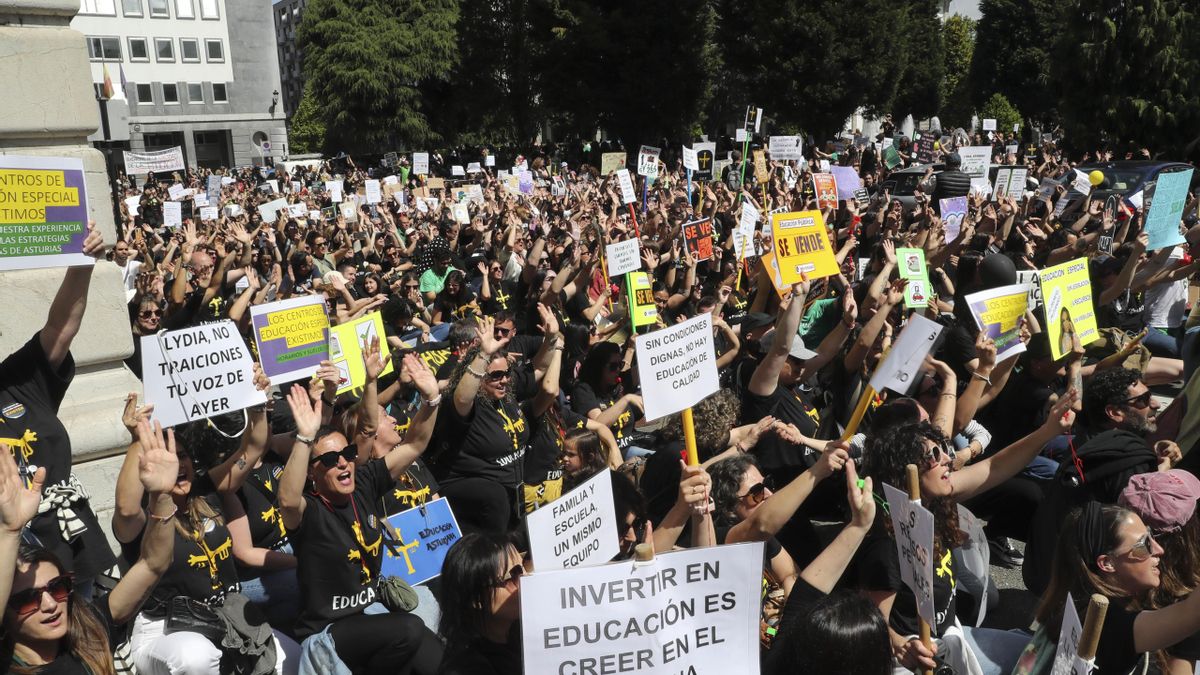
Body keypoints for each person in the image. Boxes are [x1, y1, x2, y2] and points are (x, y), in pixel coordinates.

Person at [858, 390, 1077, 675]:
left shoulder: (933, 496)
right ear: (905, 469)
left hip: (950, 637)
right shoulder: (887, 539)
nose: (948, 459)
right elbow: (871, 622)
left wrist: (1048, 430)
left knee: (1043, 654)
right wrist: (902, 645)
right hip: (915, 661)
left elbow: (995, 466)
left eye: (944, 448)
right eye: (935, 454)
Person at [279, 349, 444, 674]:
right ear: (312, 473)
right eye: (329, 460)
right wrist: (305, 436)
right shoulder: (308, 512)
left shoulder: (365, 481)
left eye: (348, 453)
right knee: (409, 629)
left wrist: (433, 399)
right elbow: (286, 500)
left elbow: (413, 445)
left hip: (374, 614)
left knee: (439, 657)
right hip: (329, 630)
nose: (342, 462)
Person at [0, 418, 176, 674]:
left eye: (58, 588)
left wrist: (161, 496)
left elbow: (153, 563)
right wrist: (10, 532)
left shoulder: (90, 634)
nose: (50, 604)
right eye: (28, 600)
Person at [0, 222, 115, 597]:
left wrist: (82, 263)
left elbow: (62, 326)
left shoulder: (17, 379)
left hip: (73, 549)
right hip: (13, 572)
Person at [1017, 502, 1200, 675]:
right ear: (1107, 563)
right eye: (1144, 544)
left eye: (1151, 535)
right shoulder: (1114, 622)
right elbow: (1190, 614)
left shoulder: (1076, 588)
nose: (1159, 549)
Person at [435, 533, 524, 675]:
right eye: (513, 575)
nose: (525, 580)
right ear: (476, 599)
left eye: (523, 566)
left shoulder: (522, 630)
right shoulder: (469, 669)